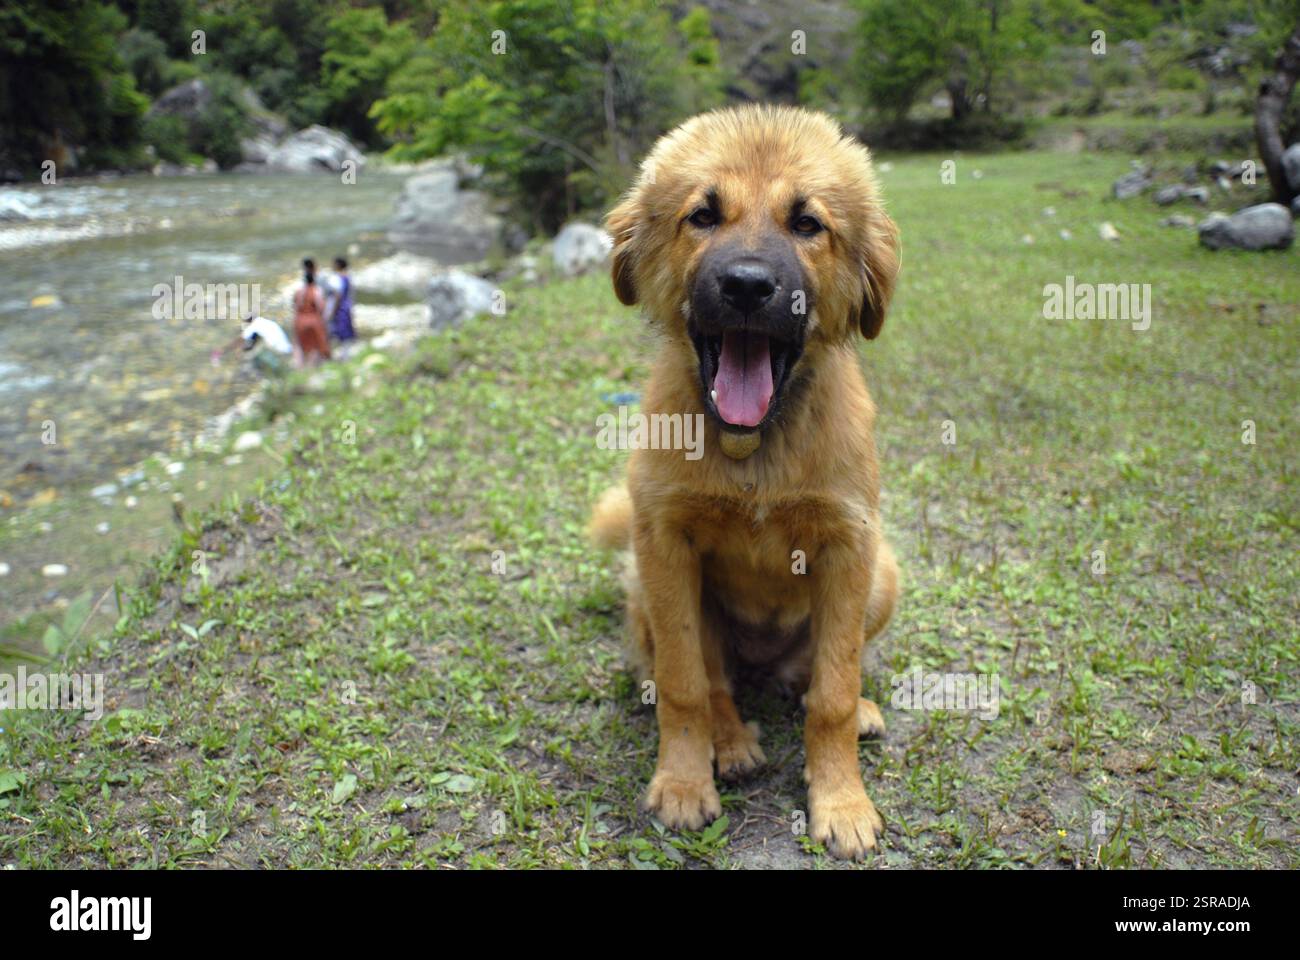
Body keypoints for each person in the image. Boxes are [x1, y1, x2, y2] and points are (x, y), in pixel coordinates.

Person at [212, 314, 293, 376]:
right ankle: (277, 372)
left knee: (254, 357)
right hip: (285, 348)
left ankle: (277, 373)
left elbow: (240, 340)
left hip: (278, 349)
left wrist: (223, 350)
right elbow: (252, 343)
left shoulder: (255, 324)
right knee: (256, 352)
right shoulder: (266, 323)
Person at [292, 258, 330, 366]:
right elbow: (321, 307)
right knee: (316, 345)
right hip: (314, 320)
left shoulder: (299, 291)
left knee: (300, 345)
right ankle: (312, 367)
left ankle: (300, 367)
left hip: (300, 321)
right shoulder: (317, 290)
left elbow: (295, 306)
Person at [324, 256, 357, 346]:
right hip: (346, 306)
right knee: (346, 330)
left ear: (338, 265)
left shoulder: (337, 278)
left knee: (339, 330)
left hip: (339, 307)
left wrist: (332, 311)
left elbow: (338, 295)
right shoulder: (348, 277)